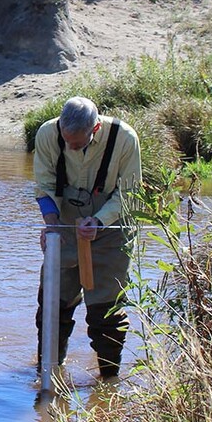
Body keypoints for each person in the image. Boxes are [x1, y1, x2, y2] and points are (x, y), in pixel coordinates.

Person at [31, 96, 142, 379]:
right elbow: (44, 185)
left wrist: (99, 221)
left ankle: (108, 379)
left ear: (94, 130)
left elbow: (130, 195)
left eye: (77, 144)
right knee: (52, 306)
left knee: (105, 313)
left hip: (111, 229)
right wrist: (52, 226)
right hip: (65, 225)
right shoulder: (47, 134)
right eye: (66, 141)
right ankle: (49, 373)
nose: (69, 148)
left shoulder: (125, 139)